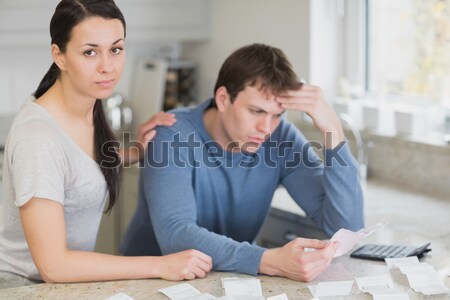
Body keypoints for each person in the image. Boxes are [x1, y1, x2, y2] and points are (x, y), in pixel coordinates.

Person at [0, 0, 212, 288]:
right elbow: (54, 266)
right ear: (58, 55)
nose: (107, 66)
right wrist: (161, 264)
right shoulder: (38, 139)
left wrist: (134, 152)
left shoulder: (82, 101)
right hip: (22, 287)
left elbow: (76, 164)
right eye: (90, 52)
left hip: (57, 286)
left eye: (115, 49)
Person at [121, 43, 364, 282]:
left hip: (232, 279)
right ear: (223, 99)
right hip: (150, 283)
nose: (266, 128)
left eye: (277, 115)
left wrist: (334, 131)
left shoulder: (282, 139)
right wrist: (268, 260)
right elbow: (176, 235)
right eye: (256, 111)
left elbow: (346, 229)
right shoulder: (172, 135)